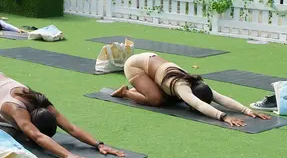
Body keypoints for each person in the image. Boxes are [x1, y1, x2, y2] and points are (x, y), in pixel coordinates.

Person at [0, 71, 124, 158]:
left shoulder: (45, 104)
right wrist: (68, 155)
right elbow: (37, 136)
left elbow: (71, 128)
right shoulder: (17, 109)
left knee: (17, 129)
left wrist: (98, 145)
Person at [111, 52, 271, 128]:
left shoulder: (196, 83)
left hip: (151, 62)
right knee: (157, 101)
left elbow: (220, 98)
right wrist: (224, 117)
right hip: (135, 65)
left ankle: (145, 87)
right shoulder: (183, 87)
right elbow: (200, 105)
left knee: (171, 99)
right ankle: (126, 92)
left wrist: (247, 110)